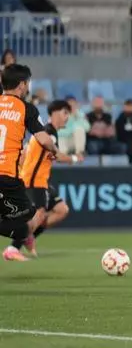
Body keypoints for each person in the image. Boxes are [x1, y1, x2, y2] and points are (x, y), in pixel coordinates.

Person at [0, 64, 60, 262]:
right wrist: (54, 150)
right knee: (32, 219)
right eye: (27, 83)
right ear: (22, 84)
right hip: (7, 177)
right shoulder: (26, 109)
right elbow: (44, 139)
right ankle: (14, 248)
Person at [7, 99, 77, 259]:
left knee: (61, 210)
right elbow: (58, 156)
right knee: (39, 214)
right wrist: (74, 158)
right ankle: (13, 248)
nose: (67, 117)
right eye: (65, 113)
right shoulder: (48, 133)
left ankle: (28, 236)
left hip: (40, 179)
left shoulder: (46, 132)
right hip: (34, 180)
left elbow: (25, 153)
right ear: (55, 113)